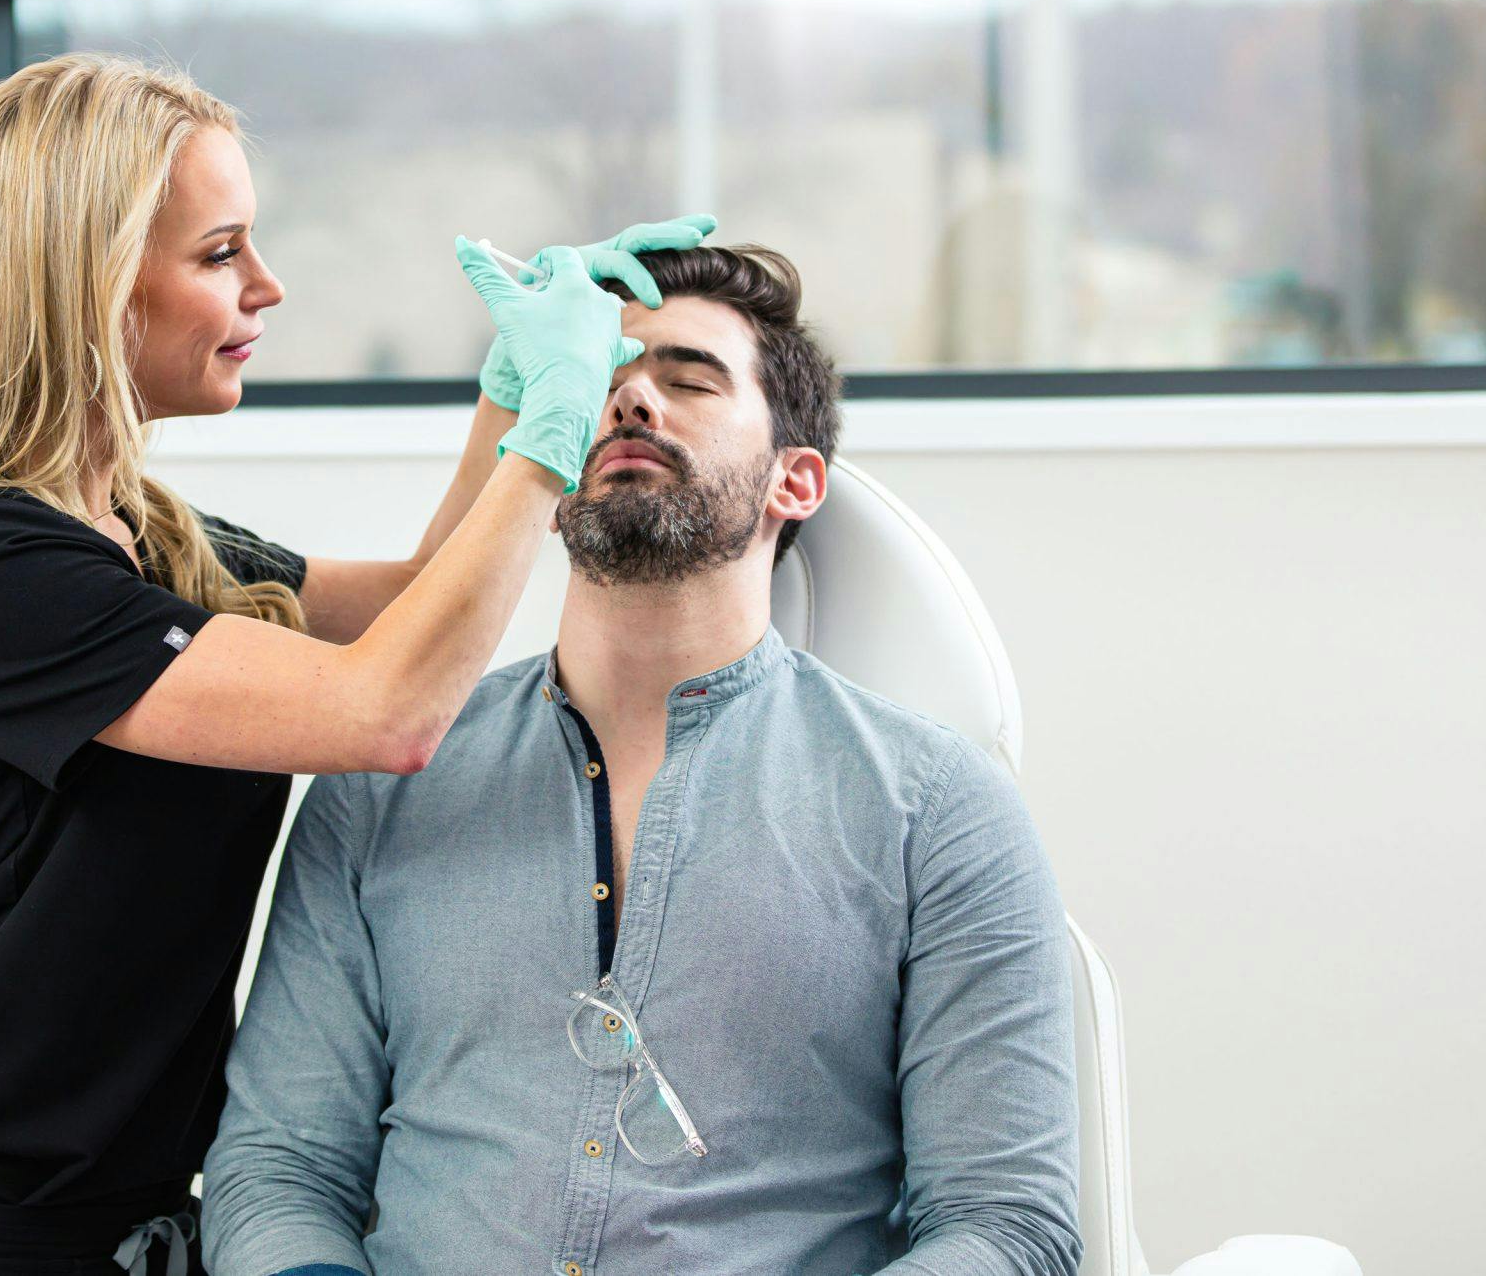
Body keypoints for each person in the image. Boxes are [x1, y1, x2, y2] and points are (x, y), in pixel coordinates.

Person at [0, 50, 716, 1276]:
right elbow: (389, 712)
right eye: (220, 255)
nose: (266, 287)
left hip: (131, 1228)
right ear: (93, 288)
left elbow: (413, 606)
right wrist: (549, 437)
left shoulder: (152, 538)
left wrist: (514, 389)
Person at [200, 244, 1082, 1276]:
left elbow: (1004, 1222)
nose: (629, 403)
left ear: (794, 480)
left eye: (687, 377)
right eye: (599, 381)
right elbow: (280, 1170)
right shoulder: (377, 785)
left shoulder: (937, 810)